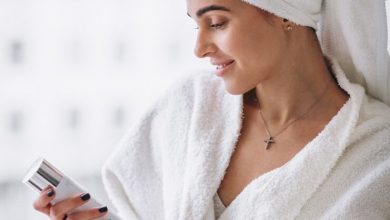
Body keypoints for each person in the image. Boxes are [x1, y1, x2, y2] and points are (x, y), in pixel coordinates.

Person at [33, 0, 390, 219]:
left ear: (284, 13)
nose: (200, 47)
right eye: (195, 25)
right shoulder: (186, 109)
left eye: (216, 23)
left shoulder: (376, 157)